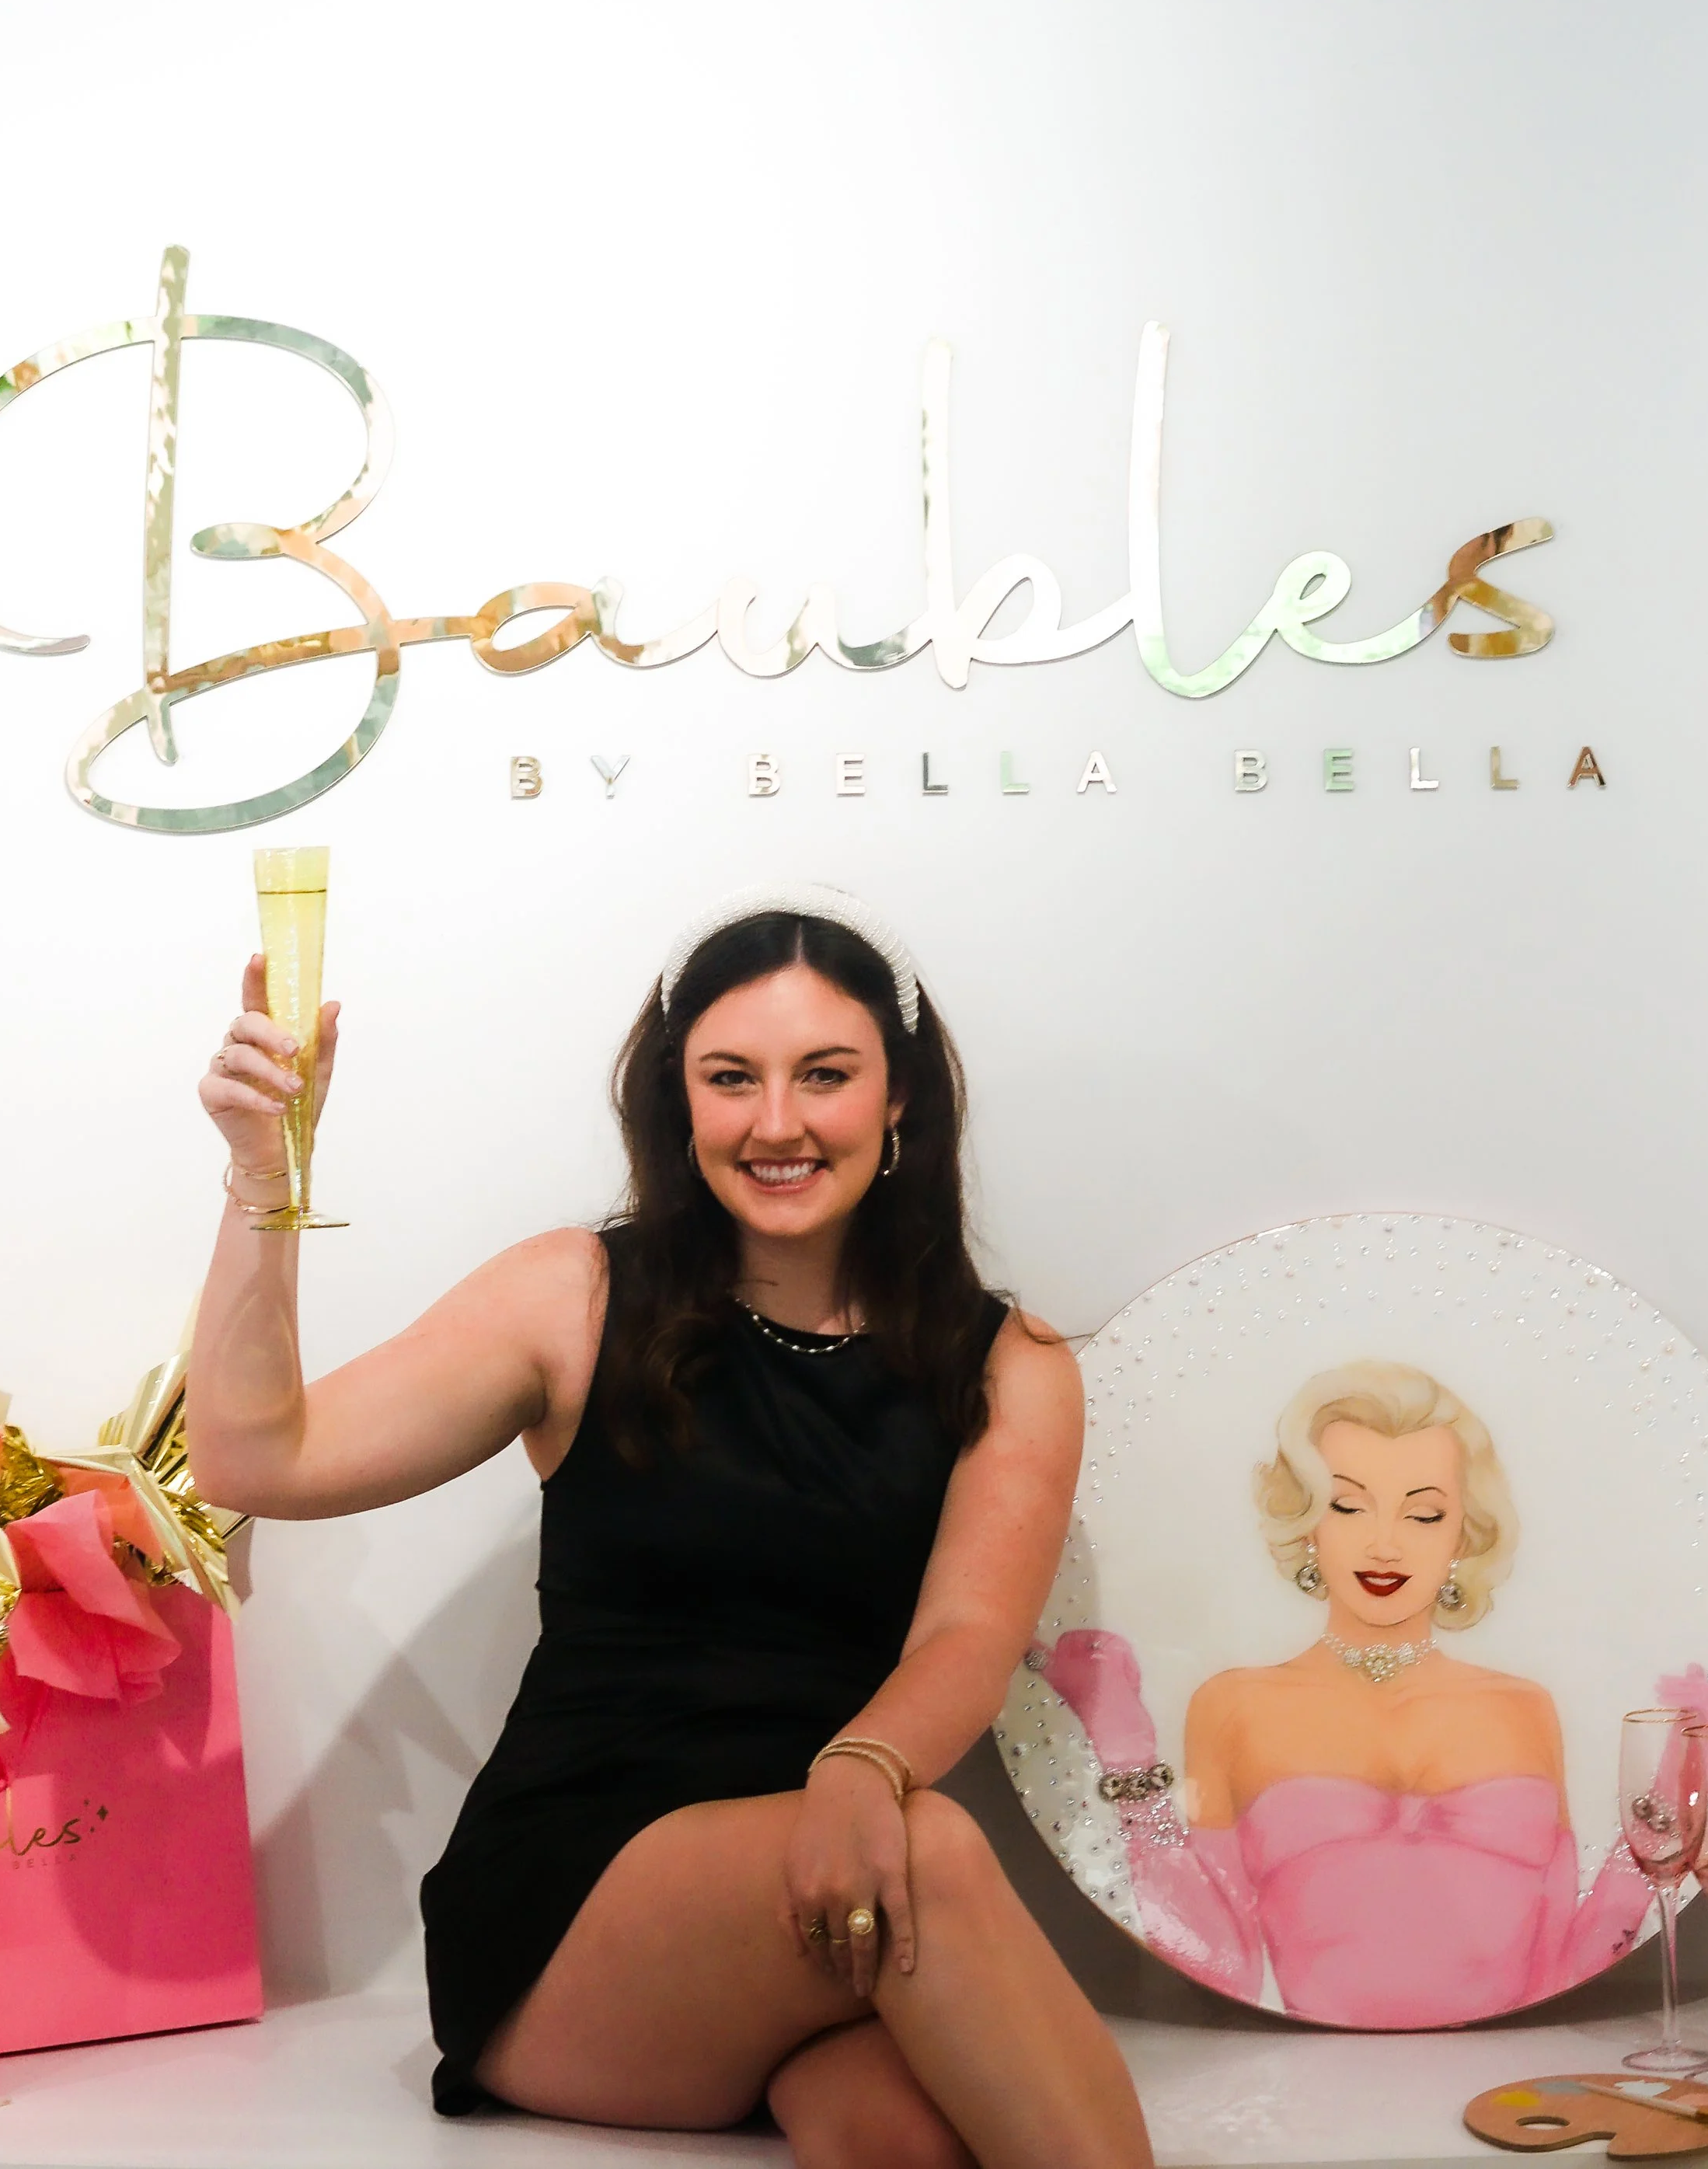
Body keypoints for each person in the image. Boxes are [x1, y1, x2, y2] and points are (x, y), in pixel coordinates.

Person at [190, 881, 1152, 2169]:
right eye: (730, 1077)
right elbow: (255, 1457)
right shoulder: (576, 1296)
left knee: (901, 2134)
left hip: (831, 1877)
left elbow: (967, 1637)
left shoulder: (1011, 1364)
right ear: (678, 1097)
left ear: (902, 1097)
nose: (776, 1121)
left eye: (825, 1074)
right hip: (574, 1914)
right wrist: (265, 1175)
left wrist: (856, 1768)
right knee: (928, 1849)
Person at [1036, 1359, 1650, 2028]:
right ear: (1307, 1524)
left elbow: (1564, 1968)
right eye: (1349, 1505)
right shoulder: (1233, 1704)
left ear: (1464, 1533)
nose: (1384, 1543)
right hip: (1312, 2071)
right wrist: (1127, 1753)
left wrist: (1665, 1811)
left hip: (1515, 2064)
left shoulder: (1525, 1707)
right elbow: (1218, 1966)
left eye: (1424, 1513)